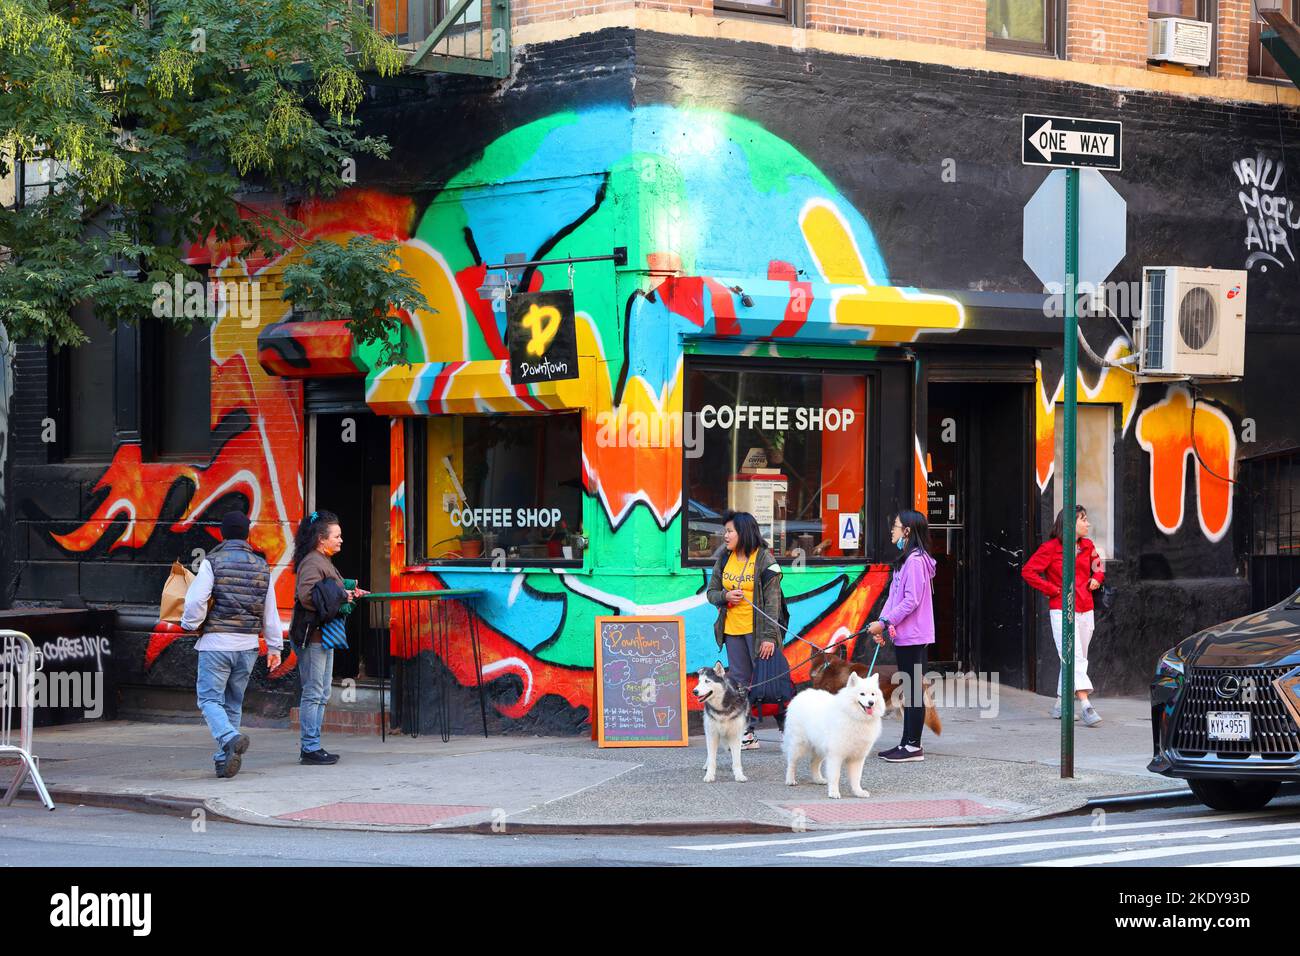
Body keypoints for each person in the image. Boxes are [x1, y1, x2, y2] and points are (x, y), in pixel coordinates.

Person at [183, 510, 283, 779]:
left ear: (222, 534)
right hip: (248, 646)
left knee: (208, 700)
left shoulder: (212, 562)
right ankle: (223, 759)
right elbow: (270, 611)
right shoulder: (263, 566)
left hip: (216, 643)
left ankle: (229, 737)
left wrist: (190, 624)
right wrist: (275, 647)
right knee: (233, 703)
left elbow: (195, 602)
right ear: (247, 533)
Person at [290, 510, 369, 765]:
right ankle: (310, 748)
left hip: (323, 637)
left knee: (322, 692)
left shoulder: (322, 560)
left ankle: (313, 745)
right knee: (314, 692)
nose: (341, 540)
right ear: (321, 539)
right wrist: (342, 597)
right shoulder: (313, 562)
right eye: (336, 536)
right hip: (313, 637)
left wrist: (349, 592)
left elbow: (327, 590)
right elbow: (308, 596)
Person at [1022, 504, 1106, 727]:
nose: (1088, 523)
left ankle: (1060, 704)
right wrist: (1051, 589)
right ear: (1070, 524)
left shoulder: (1088, 545)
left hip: (1086, 607)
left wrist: (1097, 577)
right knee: (1074, 657)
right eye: (1083, 519)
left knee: (1077, 658)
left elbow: (1099, 566)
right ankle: (1086, 704)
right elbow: (1028, 571)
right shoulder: (1050, 548)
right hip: (1061, 608)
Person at [706, 510, 784, 750]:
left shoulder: (765, 560)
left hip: (759, 631)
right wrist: (725, 595)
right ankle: (747, 733)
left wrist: (770, 637)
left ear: (744, 532)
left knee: (770, 680)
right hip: (732, 629)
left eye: (729, 531)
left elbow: (773, 603)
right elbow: (711, 593)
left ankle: (788, 728)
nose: (725, 535)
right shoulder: (724, 558)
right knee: (739, 681)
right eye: (725, 531)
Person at [869, 510, 937, 762]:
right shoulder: (906, 560)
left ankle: (912, 746)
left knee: (912, 690)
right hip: (904, 634)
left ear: (907, 531)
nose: (892, 530)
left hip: (915, 635)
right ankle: (906, 743)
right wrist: (881, 624)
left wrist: (885, 622)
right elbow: (893, 597)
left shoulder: (917, 561)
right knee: (909, 689)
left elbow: (911, 601)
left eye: (896, 526)